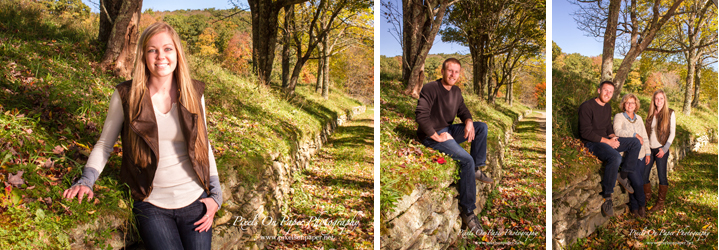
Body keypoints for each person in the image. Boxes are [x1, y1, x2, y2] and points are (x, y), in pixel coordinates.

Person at [62, 22, 222, 250]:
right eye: (152, 50)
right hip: (151, 203)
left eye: (168, 49)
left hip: (195, 199)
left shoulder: (194, 92)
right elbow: (105, 144)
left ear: (177, 53)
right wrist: (87, 181)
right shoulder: (126, 95)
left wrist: (216, 195)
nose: (161, 56)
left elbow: (203, 145)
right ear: (143, 56)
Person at [415, 58, 493, 235]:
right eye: (450, 71)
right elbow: (421, 116)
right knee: (466, 160)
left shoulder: (456, 91)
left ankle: (476, 168)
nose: (453, 75)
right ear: (442, 71)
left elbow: (463, 109)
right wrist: (437, 136)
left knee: (481, 127)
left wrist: (468, 121)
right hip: (432, 136)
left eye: (456, 72)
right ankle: (468, 212)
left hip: (449, 129)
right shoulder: (430, 88)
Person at [578, 80, 640, 217]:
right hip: (591, 143)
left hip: (606, 140)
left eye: (611, 92)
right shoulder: (586, 107)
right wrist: (608, 142)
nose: (608, 94)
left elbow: (607, 127)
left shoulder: (607, 107)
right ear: (599, 90)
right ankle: (608, 196)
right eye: (605, 90)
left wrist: (613, 137)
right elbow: (585, 133)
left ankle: (623, 175)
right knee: (615, 157)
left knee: (635, 143)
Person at [613, 93, 650, 218]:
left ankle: (635, 208)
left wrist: (648, 152)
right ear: (624, 104)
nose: (630, 105)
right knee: (638, 183)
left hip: (642, 155)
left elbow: (644, 136)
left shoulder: (639, 118)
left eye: (632, 103)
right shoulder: (619, 116)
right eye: (627, 102)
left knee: (635, 183)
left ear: (636, 105)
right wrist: (634, 134)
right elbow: (617, 132)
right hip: (629, 156)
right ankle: (641, 206)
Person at [643, 90, 675, 213]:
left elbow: (672, 133)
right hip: (649, 149)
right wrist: (646, 149)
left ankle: (660, 203)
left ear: (664, 100)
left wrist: (665, 148)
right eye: (656, 98)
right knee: (644, 174)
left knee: (662, 176)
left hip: (661, 148)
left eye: (661, 98)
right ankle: (647, 197)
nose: (659, 101)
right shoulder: (651, 114)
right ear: (654, 100)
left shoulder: (670, 113)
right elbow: (647, 133)